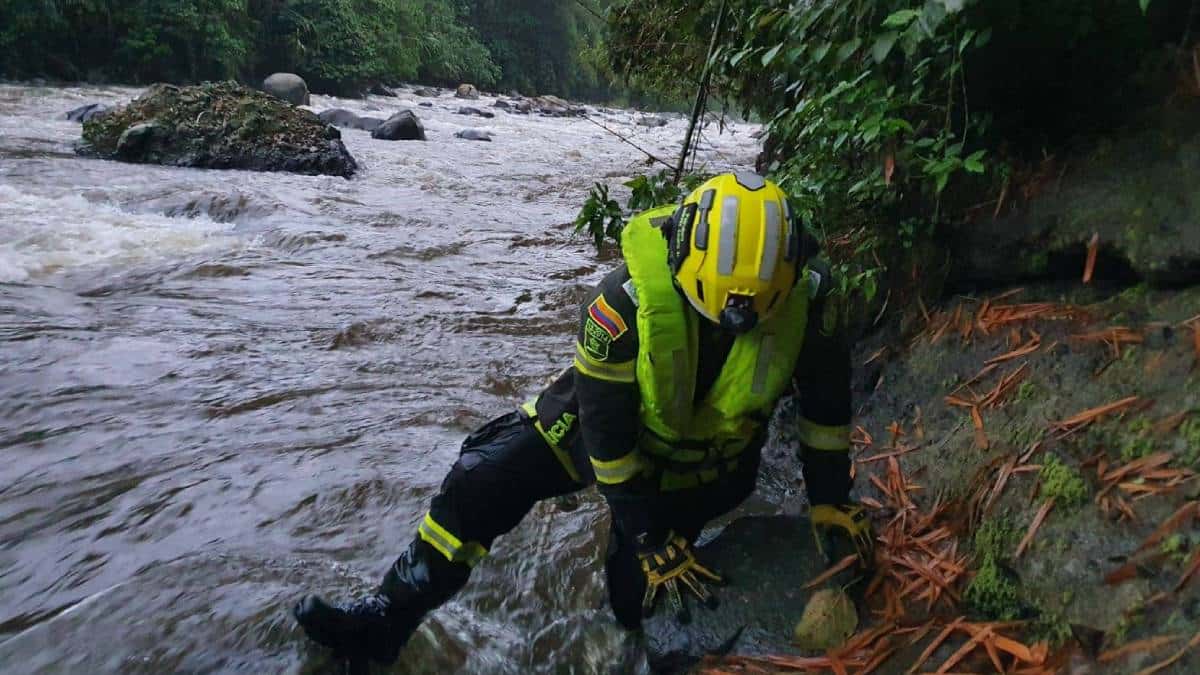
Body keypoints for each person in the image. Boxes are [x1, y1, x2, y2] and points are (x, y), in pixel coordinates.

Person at [293, 172, 873, 668]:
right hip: (608, 423)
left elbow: (825, 409)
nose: (731, 326)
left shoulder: (808, 301)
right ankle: (386, 620)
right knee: (483, 478)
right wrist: (647, 530)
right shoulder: (620, 304)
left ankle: (632, 646)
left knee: (634, 591)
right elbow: (608, 436)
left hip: (705, 463)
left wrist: (828, 498)